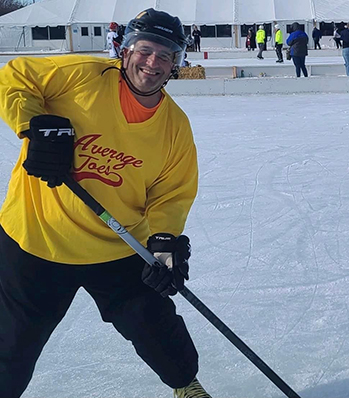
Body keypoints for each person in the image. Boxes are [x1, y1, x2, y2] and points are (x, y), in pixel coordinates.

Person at [0, 8, 212, 398]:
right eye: (146, 50)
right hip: (37, 239)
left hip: (118, 244)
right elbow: (12, 77)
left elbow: (172, 191)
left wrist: (165, 242)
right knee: (10, 347)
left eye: (166, 55)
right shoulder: (80, 76)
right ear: (126, 50)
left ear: (177, 64)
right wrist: (33, 124)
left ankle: (187, 387)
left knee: (156, 328)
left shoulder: (174, 127)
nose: (153, 63)